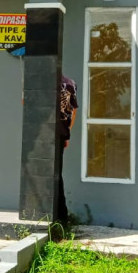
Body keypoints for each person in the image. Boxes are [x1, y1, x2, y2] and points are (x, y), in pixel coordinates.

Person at [56, 75, 79, 224]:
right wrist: (67, 133)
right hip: (61, 134)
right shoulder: (70, 83)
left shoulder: (42, 80)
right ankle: (62, 216)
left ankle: (60, 216)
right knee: (57, 174)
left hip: (45, 134)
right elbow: (74, 110)